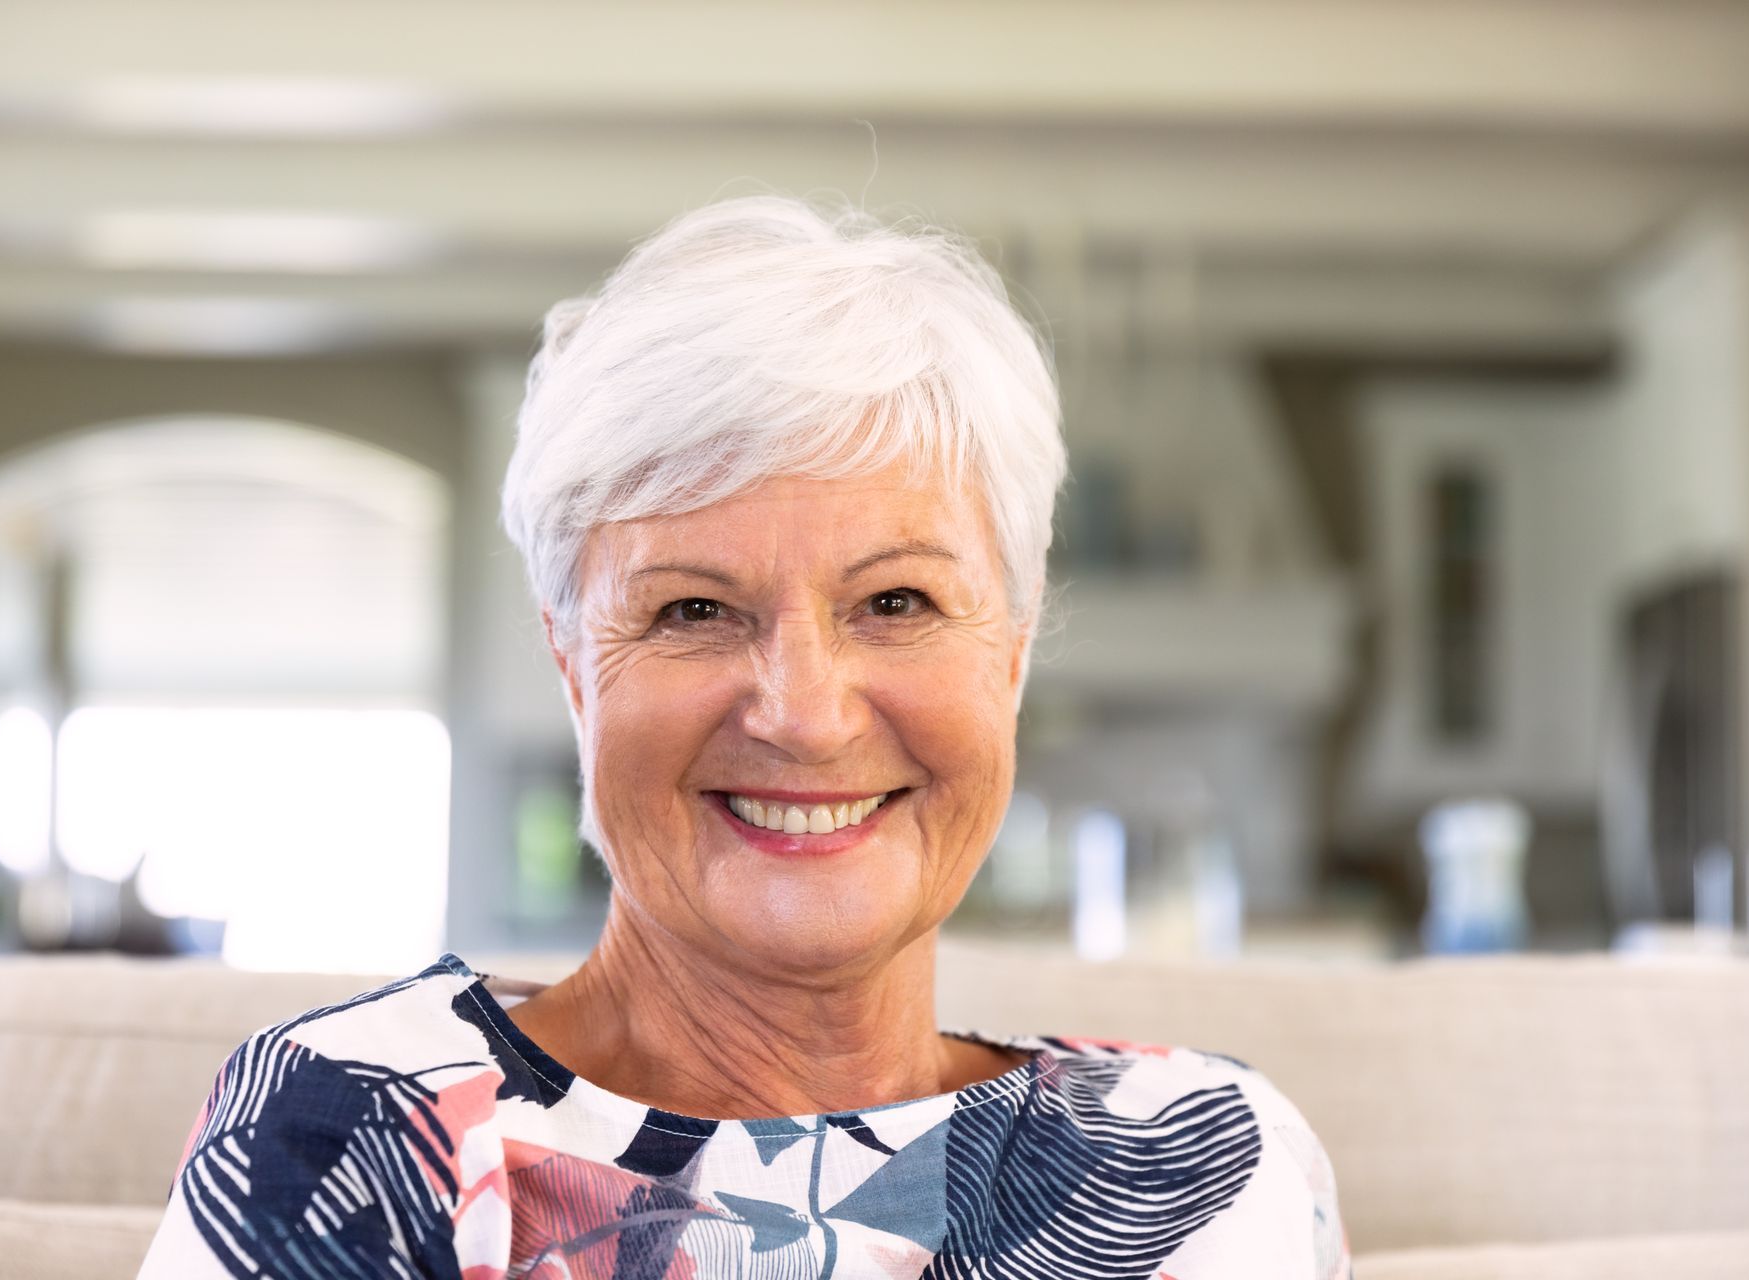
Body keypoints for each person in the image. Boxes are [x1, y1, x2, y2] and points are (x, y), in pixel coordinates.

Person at [137, 193, 1353, 1278]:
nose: (807, 712)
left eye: (896, 602)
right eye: (694, 610)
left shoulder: (1199, 1165)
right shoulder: (355, 1122)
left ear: (1014, 651)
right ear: (573, 662)